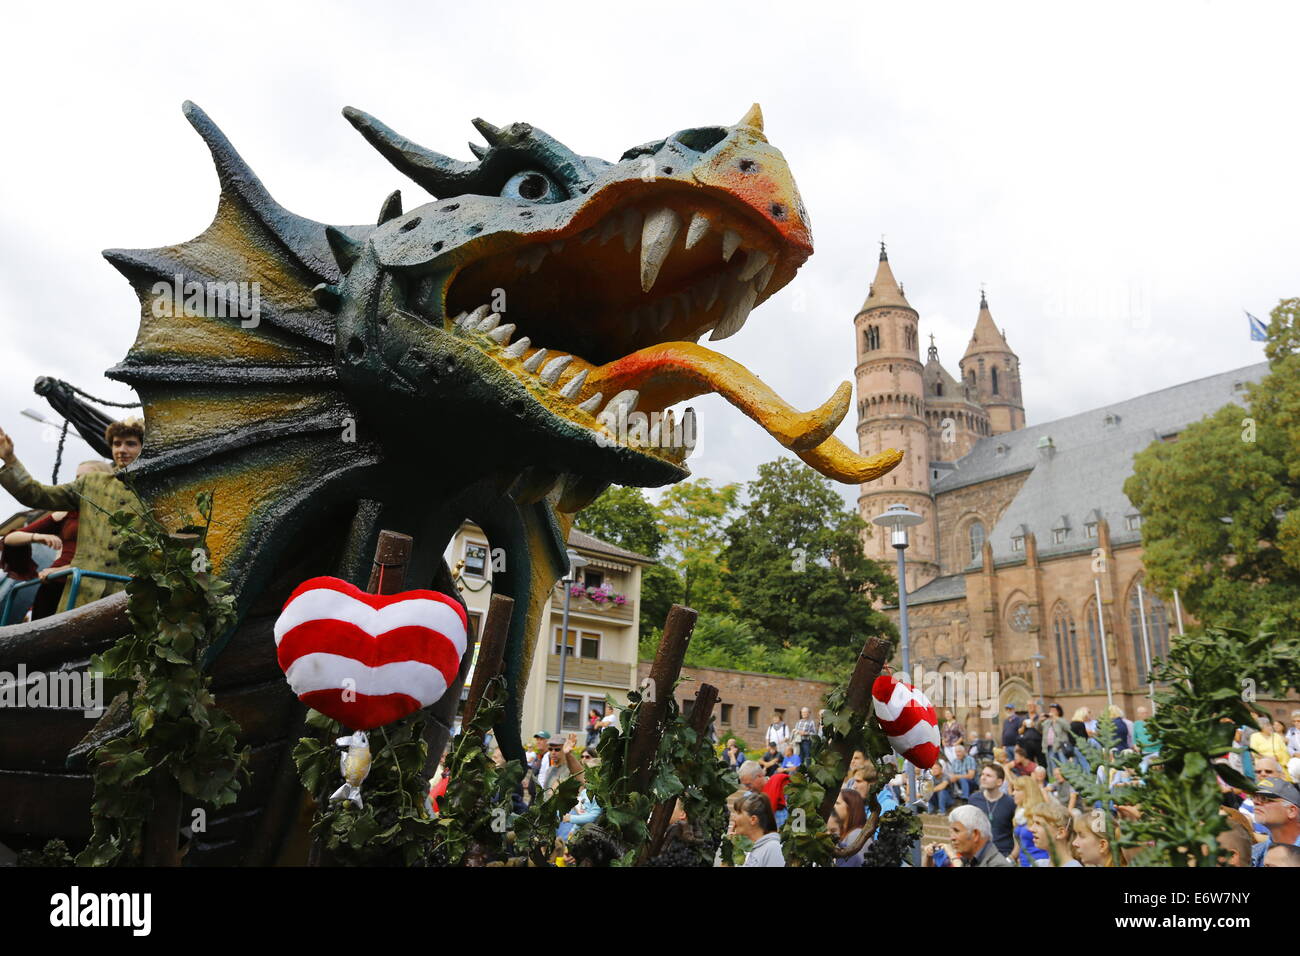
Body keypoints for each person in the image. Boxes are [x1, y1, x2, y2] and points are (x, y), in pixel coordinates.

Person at [0, 420, 145, 610]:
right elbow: (37, 494)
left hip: (128, 596)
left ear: (145, 447)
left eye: (130, 444)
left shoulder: (160, 490)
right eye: (117, 444)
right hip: (80, 594)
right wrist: (10, 460)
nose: (121, 450)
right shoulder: (91, 483)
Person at [922, 804, 1012, 867]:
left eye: (956, 831)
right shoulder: (969, 859)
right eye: (951, 832)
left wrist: (952, 856)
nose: (952, 838)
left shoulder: (997, 864)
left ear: (975, 835)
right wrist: (928, 858)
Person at [967, 762, 1015, 857]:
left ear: (999, 782)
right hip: (978, 853)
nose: (983, 778)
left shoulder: (1010, 803)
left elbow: (1017, 832)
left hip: (1003, 853)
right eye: (982, 774)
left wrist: (1012, 857)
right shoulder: (974, 799)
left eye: (988, 775)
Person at [1250, 777, 1300, 867]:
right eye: (1254, 797)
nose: (1255, 802)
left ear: (1291, 811)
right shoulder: (1252, 853)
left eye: (1264, 799)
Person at [730, 792, 783, 866]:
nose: (733, 818)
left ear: (753, 820)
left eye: (739, 813)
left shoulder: (772, 848)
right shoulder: (748, 848)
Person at [1009, 775, 1049, 866]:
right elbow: (1018, 848)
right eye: (1013, 789)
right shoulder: (1018, 815)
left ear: (1028, 792)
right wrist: (1007, 860)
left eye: (1017, 790)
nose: (1013, 793)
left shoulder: (1040, 814)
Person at [1026, 801, 1081, 866]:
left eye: (1039, 824)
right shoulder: (1039, 864)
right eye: (1033, 823)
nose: (1031, 829)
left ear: (1060, 833)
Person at [833, 788, 870, 867]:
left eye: (837, 803)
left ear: (850, 808)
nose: (833, 807)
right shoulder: (846, 833)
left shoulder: (856, 836)